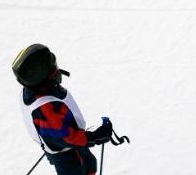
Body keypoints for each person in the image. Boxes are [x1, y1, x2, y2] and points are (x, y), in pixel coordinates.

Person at [12, 44, 120, 175]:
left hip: (67, 144)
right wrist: (94, 136)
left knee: (90, 164)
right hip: (66, 154)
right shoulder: (45, 107)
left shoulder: (37, 90)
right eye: (53, 68)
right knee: (80, 169)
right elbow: (67, 138)